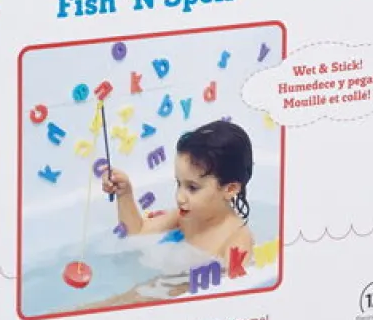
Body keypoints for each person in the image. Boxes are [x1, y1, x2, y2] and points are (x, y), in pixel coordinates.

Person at [78, 119, 255, 309]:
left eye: (192, 188)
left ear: (230, 189)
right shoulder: (186, 217)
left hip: (179, 300)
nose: (179, 197)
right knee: (102, 306)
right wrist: (125, 193)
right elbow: (137, 231)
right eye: (179, 183)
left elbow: (232, 300)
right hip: (161, 287)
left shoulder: (236, 240)